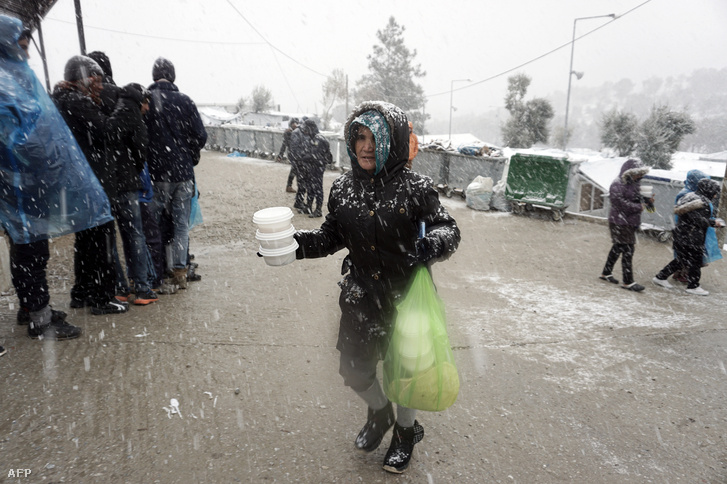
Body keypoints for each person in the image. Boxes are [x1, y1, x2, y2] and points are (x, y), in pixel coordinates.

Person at [292, 101, 461, 473]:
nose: (366, 147)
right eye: (360, 137)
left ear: (394, 142)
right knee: (354, 369)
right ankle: (381, 412)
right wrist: (294, 245)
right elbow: (331, 236)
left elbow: (448, 229)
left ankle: (404, 432)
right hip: (361, 297)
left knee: (409, 373)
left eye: (376, 138)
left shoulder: (416, 189)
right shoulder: (342, 188)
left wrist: (433, 243)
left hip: (407, 300)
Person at [1, 14, 114, 339]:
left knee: (32, 248)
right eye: (20, 45)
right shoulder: (4, 80)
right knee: (30, 250)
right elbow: (17, 134)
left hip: (29, 182)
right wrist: (44, 142)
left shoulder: (14, 74)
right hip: (20, 183)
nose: (25, 52)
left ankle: (34, 308)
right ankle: (40, 318)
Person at [52, 55, 129, 315]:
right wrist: (126, 106)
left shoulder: (64, 100)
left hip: (80, 180)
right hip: (92, 182)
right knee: (101, 240)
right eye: (95, 80)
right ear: (83, 79)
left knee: (86, 240)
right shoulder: (77, 102)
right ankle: (102, 297)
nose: (99, 86)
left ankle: (82, 292)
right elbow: (107, 131)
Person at [145, 57, 207, 289]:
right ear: (173, 76)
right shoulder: (185, 101)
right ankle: (180, 270)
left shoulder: (147, 100)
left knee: (154, 223)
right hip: (182, 172)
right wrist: (186, 152)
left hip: (156, 173)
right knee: (181, 224)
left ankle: (156, 272)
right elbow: (200, 136)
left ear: (154, 76)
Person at [107, 82, 159, 305]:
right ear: (141, 101)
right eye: (147, 104)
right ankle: (142, 288)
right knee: (134, 236)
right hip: (127, 184)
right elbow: (140, 153)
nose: (147, 109)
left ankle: (120, 287)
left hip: (108, 184)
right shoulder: (134, 117)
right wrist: (134, 171)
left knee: (110, 239)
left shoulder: (112, 112)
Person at [653, 178, 723, 295]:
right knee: (695, 261)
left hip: (682, 234)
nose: (715, 196)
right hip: (692, 237)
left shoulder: (689, 197)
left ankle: (660, 277)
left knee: (681, 260)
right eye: (714, 192)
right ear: (709, 191)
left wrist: (709, 221)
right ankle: (693, 286)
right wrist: (714, 223)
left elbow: (691, 217)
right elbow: (698, 220)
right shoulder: (702, 202)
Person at [599, 158, 651, 292]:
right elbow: (619, 203)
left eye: (641, 173)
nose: (639, 176)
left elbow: (632, 197)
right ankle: (628, 281)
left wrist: (646, 200)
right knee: (628, 250)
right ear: (629, 172)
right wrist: (638, 207)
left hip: (627, 221)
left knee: (618, 247)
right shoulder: (617, 184)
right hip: (620, 222)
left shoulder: (633, 183)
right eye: (637, 173)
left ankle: (606, 273)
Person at [671, 169, 711, 283]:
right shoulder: (686, 194)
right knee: (685, 255)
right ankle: (680, 274)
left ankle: (679, 273)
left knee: (685, 255)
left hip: (688, 229)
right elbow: (687, 215)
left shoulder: (690, 192)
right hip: (686, 230)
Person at [301, 118, 331, 218]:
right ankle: (309, 206)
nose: (305, 132)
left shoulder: (318, 139)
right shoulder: (315, 138)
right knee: (310, 186)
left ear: (311, 128)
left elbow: (314, 155)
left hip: (317, 167)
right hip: (313, 166)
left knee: (317, 187)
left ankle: (318, 209)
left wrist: (304, 157)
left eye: (306, 129)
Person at [288, 120, 311, 214]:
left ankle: (299, 201)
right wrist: (300, 160)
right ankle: (298, 202)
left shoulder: (302, 133)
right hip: (299, 162)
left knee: (303, 183)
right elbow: (294, 149)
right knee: (301, 183)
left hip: (303, 162)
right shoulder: (297, 133)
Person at [276, 117, 299, 193]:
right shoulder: (289, 133)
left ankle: (291, 186)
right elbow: (284, 145)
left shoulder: (298, 132)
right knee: (295, 169)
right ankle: (290, 186)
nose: (295, 125)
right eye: (294, 123)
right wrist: (280, 155)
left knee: (296, 170)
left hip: (298, 153)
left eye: (296, 123)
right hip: (293, 154)